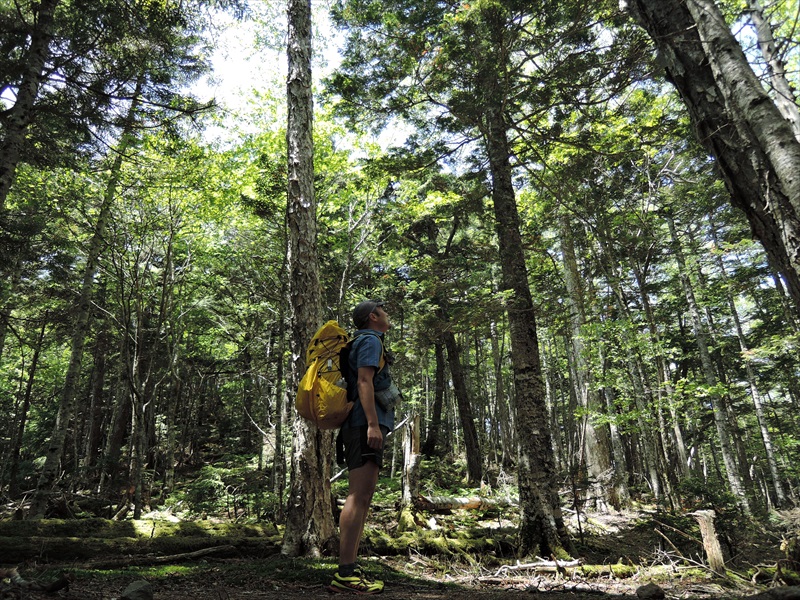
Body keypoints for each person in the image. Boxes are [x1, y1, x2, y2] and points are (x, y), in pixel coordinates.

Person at [329, 299, 401, 595]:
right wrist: (372, 424)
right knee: (358, 495)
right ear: (373, 316)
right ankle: (345, 573)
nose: (387, 315)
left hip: (361, 423)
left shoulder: (365, 340)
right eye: (384, 311)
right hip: (363, 424)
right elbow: (363, 381)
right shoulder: (370, 340)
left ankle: (350, 568)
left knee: (364, 495)